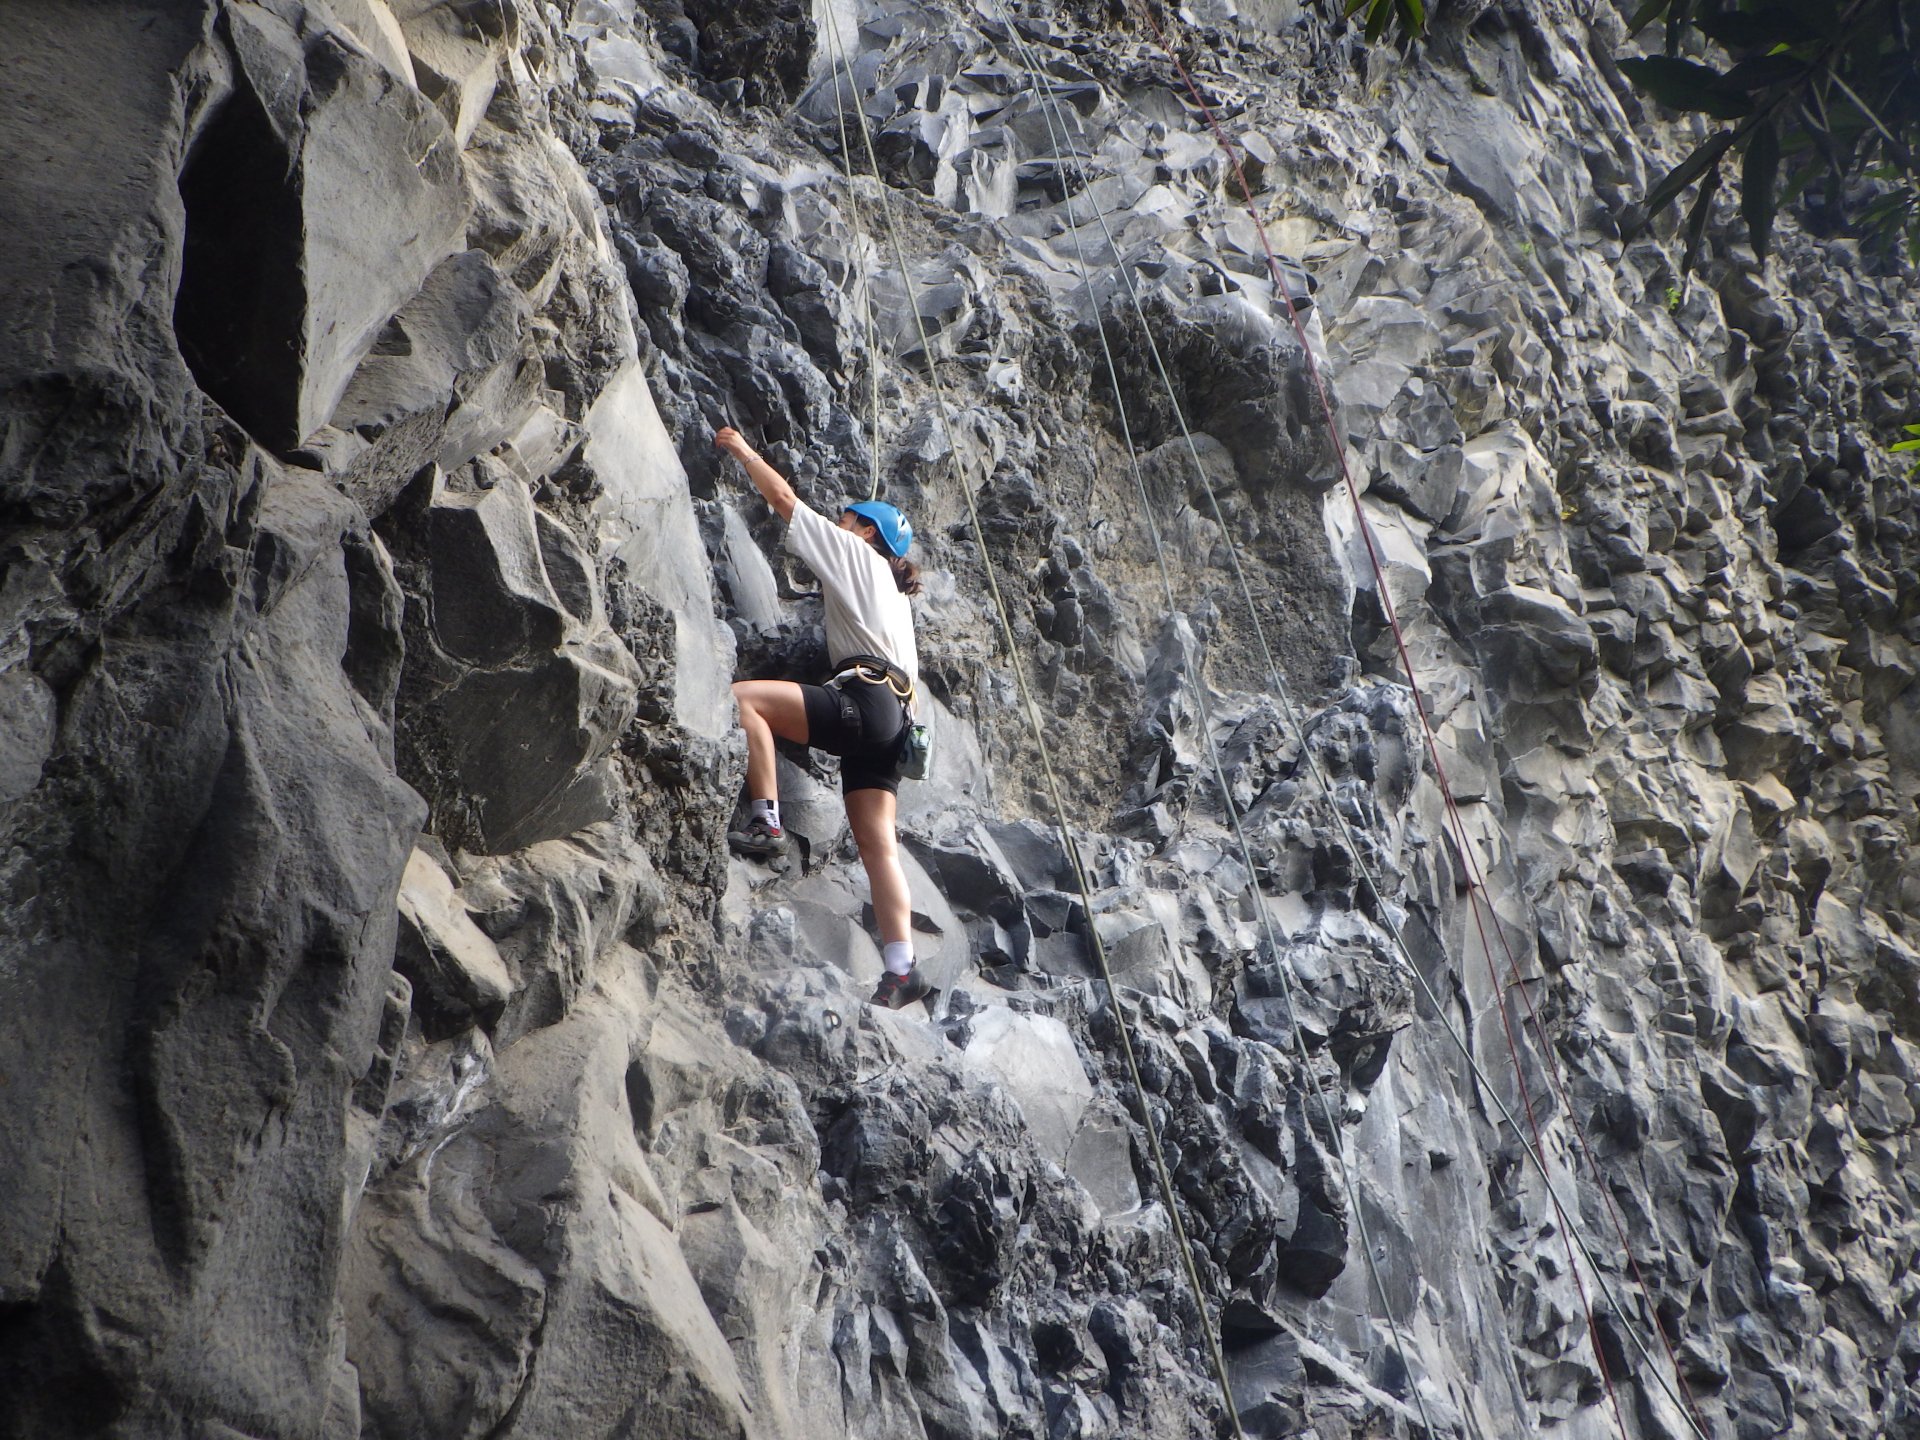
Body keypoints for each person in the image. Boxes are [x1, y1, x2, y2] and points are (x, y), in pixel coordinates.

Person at [715, 426, 932, 1010]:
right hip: (898, 723)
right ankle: (901, 969)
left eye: (847, 518)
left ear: (867, 531)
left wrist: (741, 450)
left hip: (866, 698)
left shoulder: (859, 554)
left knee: (745, 700)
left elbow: (785, 502)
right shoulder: (895, 597)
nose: (838, 524)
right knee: (877, 845)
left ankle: (766, 822)